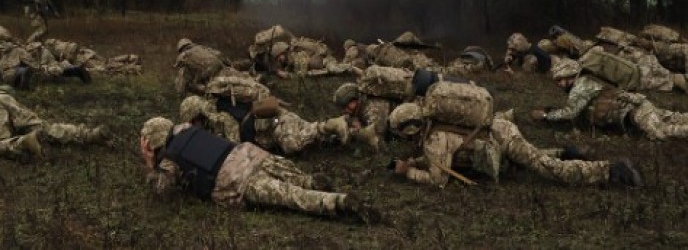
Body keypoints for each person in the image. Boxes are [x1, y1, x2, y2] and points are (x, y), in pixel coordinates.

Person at [387, 86, 643, 188]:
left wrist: (407, 172)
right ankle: (566, 153)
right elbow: (443, 158)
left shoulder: (433, 140)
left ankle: (611, 171)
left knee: (545, 168)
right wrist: (415, 162)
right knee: (533, 160)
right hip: (498, 130)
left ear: (409, 128)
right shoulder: (433, 127)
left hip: (501, 136)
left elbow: (438, 179)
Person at [139, 116, 379, 223]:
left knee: (291, 197)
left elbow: (164, 193)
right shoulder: (186, 129)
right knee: (299, 181)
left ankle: (339, 203)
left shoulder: (170, 159)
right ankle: (310, 180)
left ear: (154, 142)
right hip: (253, 154)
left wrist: (151, 164)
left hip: (239, 180)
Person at [531, 58, 688, 140]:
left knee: (661, 132)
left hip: (635, 112)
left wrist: (546, 116)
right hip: (638, 105)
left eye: (559, 80)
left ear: (568, 75)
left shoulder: (580, 86)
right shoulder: (588, 78)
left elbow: (570, 113)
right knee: (674, 117)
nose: (558, 84)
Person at [178, 94, 350, 155]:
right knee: (319, 142)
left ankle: (332, 124)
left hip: (276, 124)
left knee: (293, 145)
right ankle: (357, 132)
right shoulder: (214, 117)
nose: (194, 126)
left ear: (198, 115)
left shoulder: (221, 118)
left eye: (193, 122)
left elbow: (235, 145)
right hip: (273, 127)